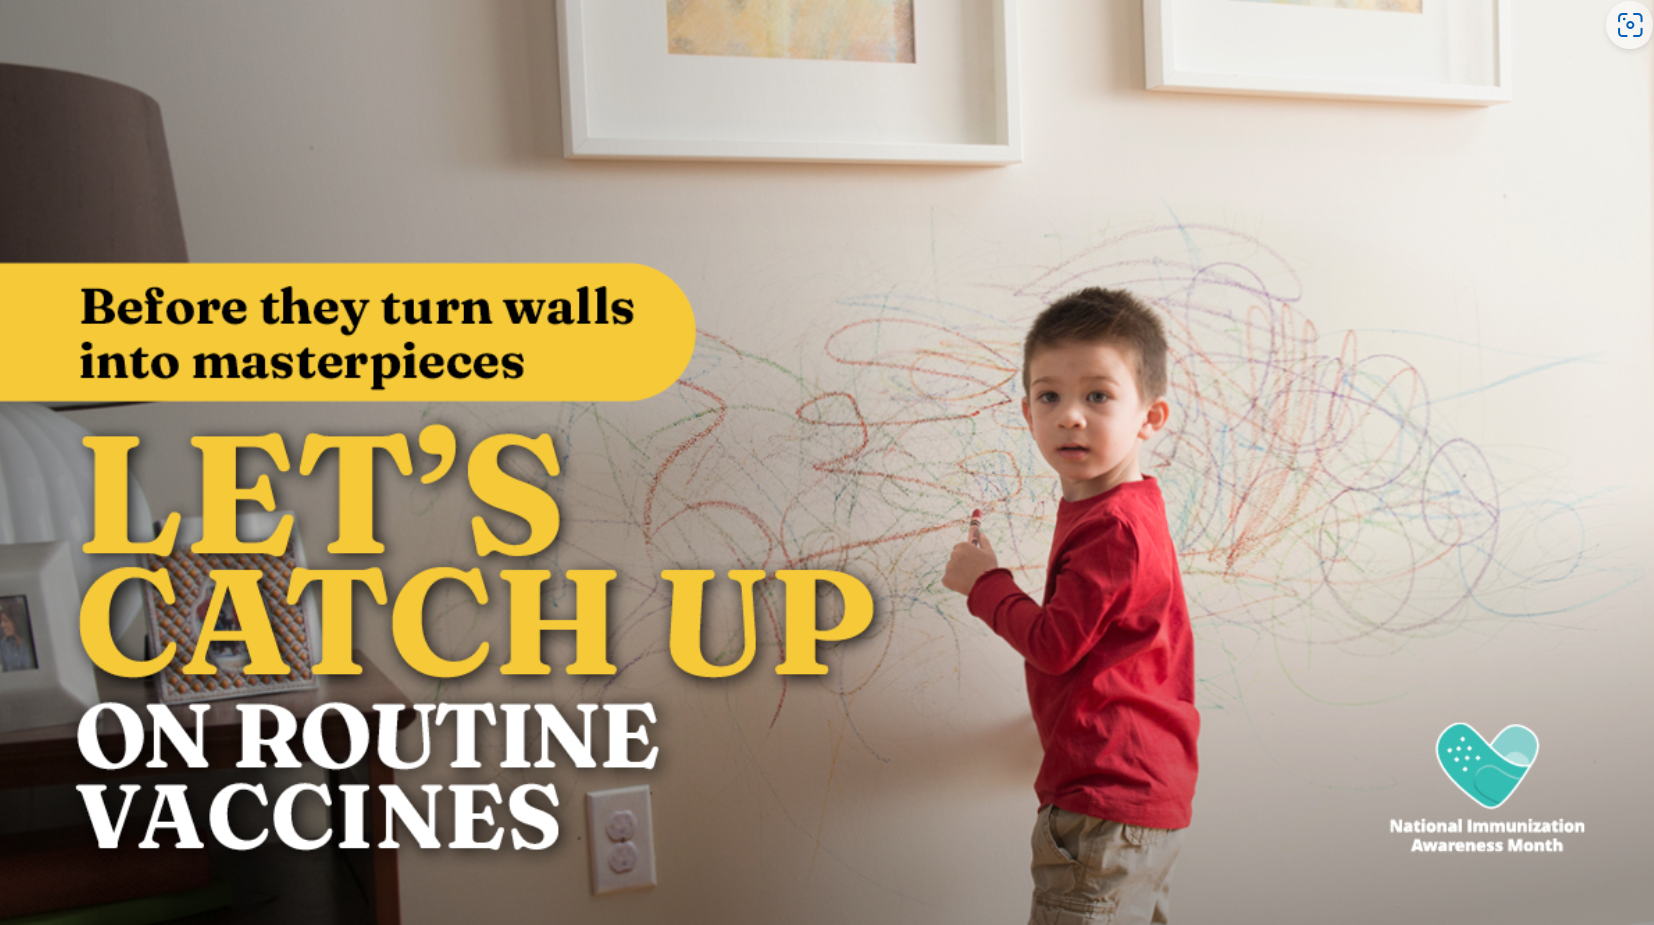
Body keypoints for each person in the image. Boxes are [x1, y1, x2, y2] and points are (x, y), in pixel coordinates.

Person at [943, 287, 1199, 925]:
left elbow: (1057, 643)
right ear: (1027, 411)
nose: (1070, 416)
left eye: (1098, 395)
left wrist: (985, 582)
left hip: (1104, 800)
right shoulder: (1119, 507)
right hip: (1134, 788)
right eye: (1049, 396)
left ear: (1150, 417)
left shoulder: (1114, 525)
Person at [0, 599, 37, 672]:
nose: (2, 625)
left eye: (5, 621)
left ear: (16, 621)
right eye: (1, 621)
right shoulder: (3, 644)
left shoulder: (33, 642)